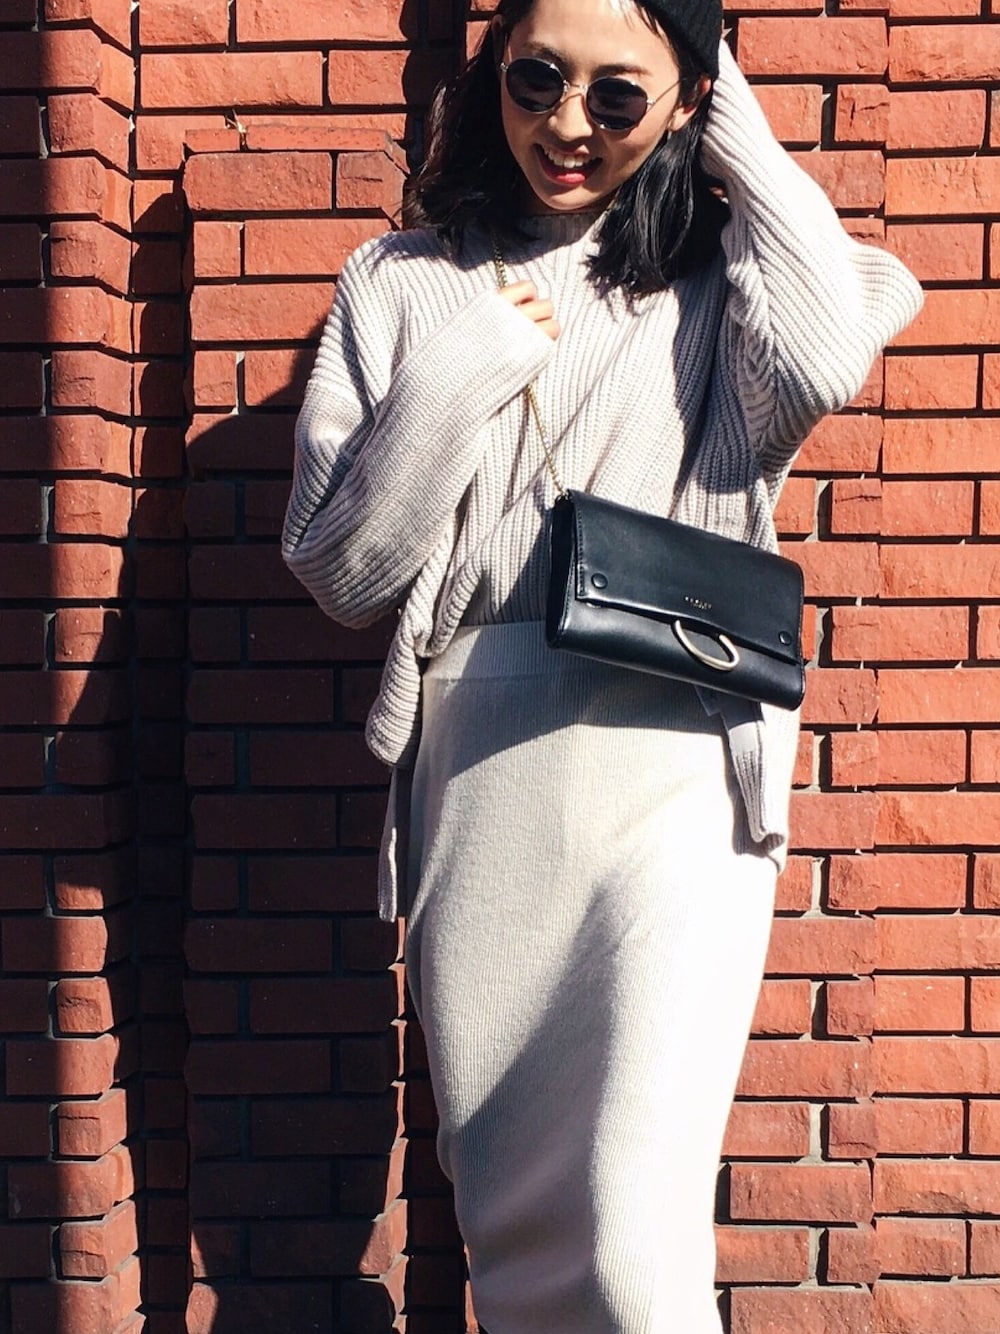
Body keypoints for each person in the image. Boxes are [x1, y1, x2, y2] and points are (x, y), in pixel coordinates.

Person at [282, 0, 922, 1329]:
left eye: (618, 95)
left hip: (678, 762)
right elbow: (343, 572)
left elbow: (824, 351)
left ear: (688, 100)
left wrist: (712, 78)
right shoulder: (398, 283)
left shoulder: (722, 278)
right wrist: (461, 369)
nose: (567, 123)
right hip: (480, 753)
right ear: (495, 76)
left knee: (632, 1233)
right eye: (536, 80)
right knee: (515, 1228)